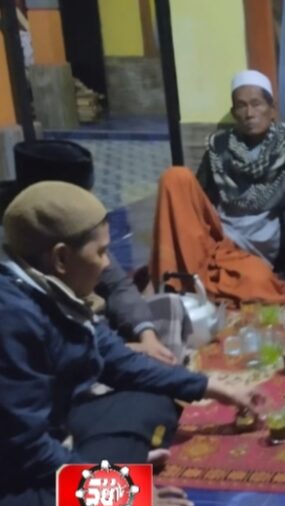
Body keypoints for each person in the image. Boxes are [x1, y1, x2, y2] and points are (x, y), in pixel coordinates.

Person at [0, 182, 259, 506]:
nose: (108, 264)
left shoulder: (49, 289)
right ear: (61, 258)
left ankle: (107, 472)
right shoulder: (12, 317)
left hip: (48, 439)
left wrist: (209, 386)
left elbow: (117, 359)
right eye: (101, 252)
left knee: (150, 400)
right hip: (13, 478)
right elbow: (27, 449)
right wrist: (120, 497)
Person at [150, 70, 285, 304]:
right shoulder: (219, 147)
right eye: (241, 106)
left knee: (258, 282)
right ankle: (183, 273)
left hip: (258, 248)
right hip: (220, 239)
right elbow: (200, 201)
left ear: (272, 109)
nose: (249, 113)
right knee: (175, 176)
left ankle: (187, 278)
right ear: (234, 112)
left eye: (256, 104)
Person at [13, 139, 183, 364]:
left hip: (103, 332)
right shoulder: (20, 262)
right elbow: (61, 339)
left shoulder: (82, 235)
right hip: (77, 348)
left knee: (169, 306)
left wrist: (147, 336)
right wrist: (125, 350)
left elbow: (117, 284)